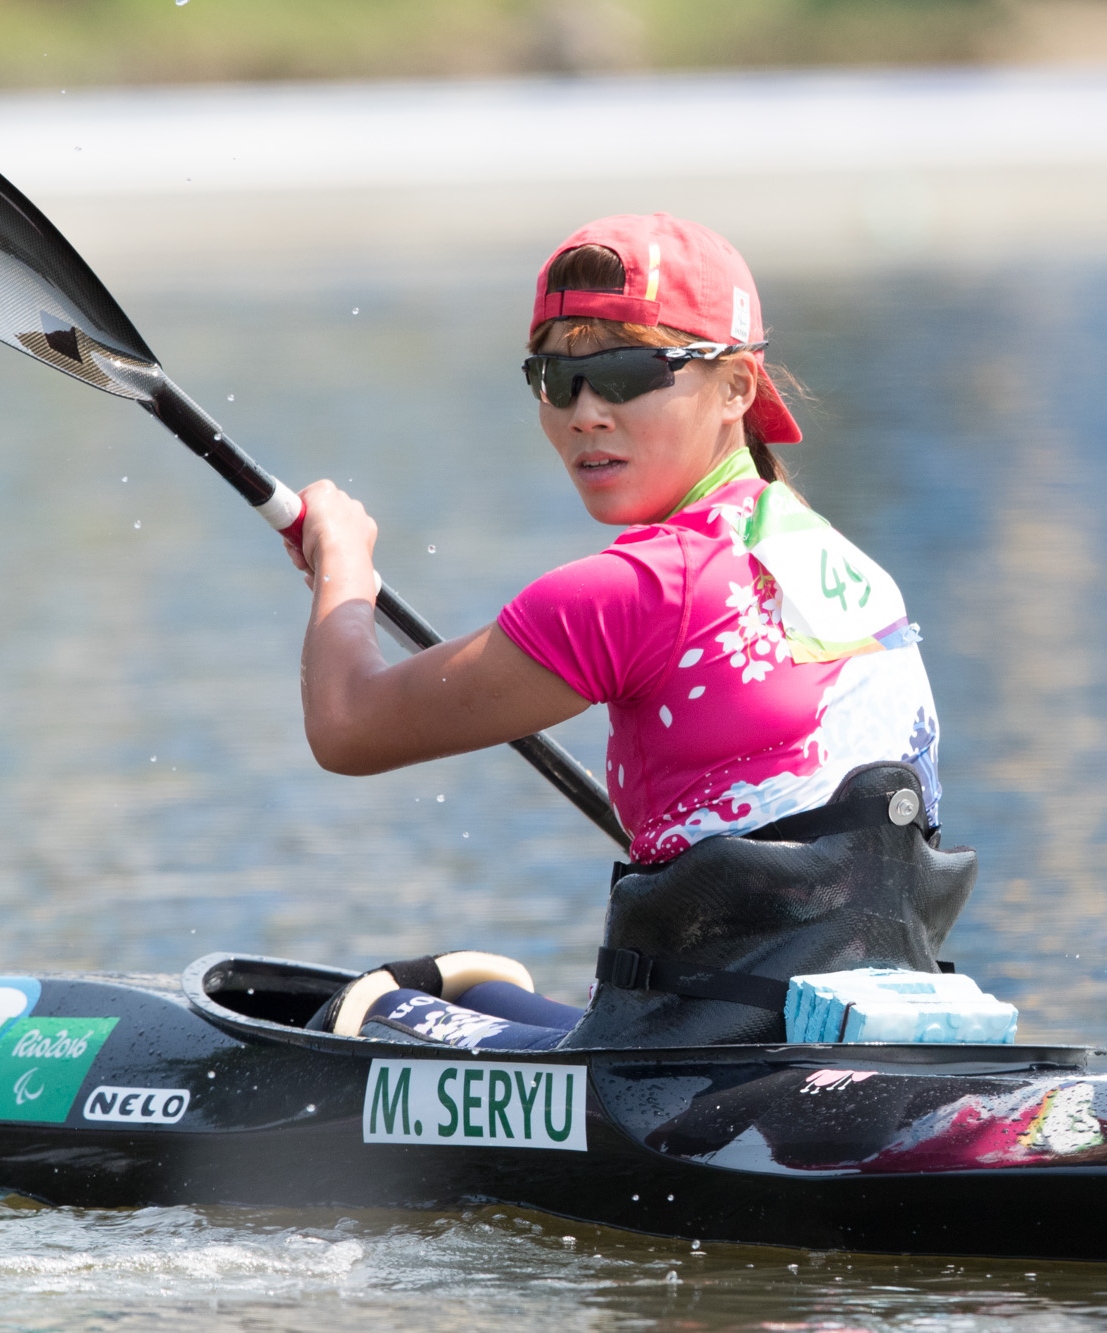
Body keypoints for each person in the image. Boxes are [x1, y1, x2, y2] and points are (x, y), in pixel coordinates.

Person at [289, 214, 973, 1050]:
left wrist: (342, 565)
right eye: (556, 376)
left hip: (695, 1062)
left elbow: (347, 725)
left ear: (736, 389)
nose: (584, 413)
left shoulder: (634, 588)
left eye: (625, 373)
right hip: (867, 1033)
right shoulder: (848, 566)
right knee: (484, 990)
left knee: (363, 1008)